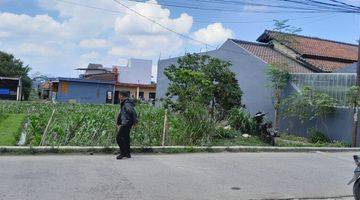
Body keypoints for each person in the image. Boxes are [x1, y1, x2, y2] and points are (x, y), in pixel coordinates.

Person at [116, 91, 138, 160]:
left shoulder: (127, 104)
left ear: (122, 96)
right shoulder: (125, 103)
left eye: (119, 95)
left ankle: (123, 153)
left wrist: (135, 122)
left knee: (118, 138)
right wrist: (119, 122)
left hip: (126, 123)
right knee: (126, 138)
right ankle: (127, 153)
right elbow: (123, 113)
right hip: (126, 122)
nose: (119, 97)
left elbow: (132, 112)